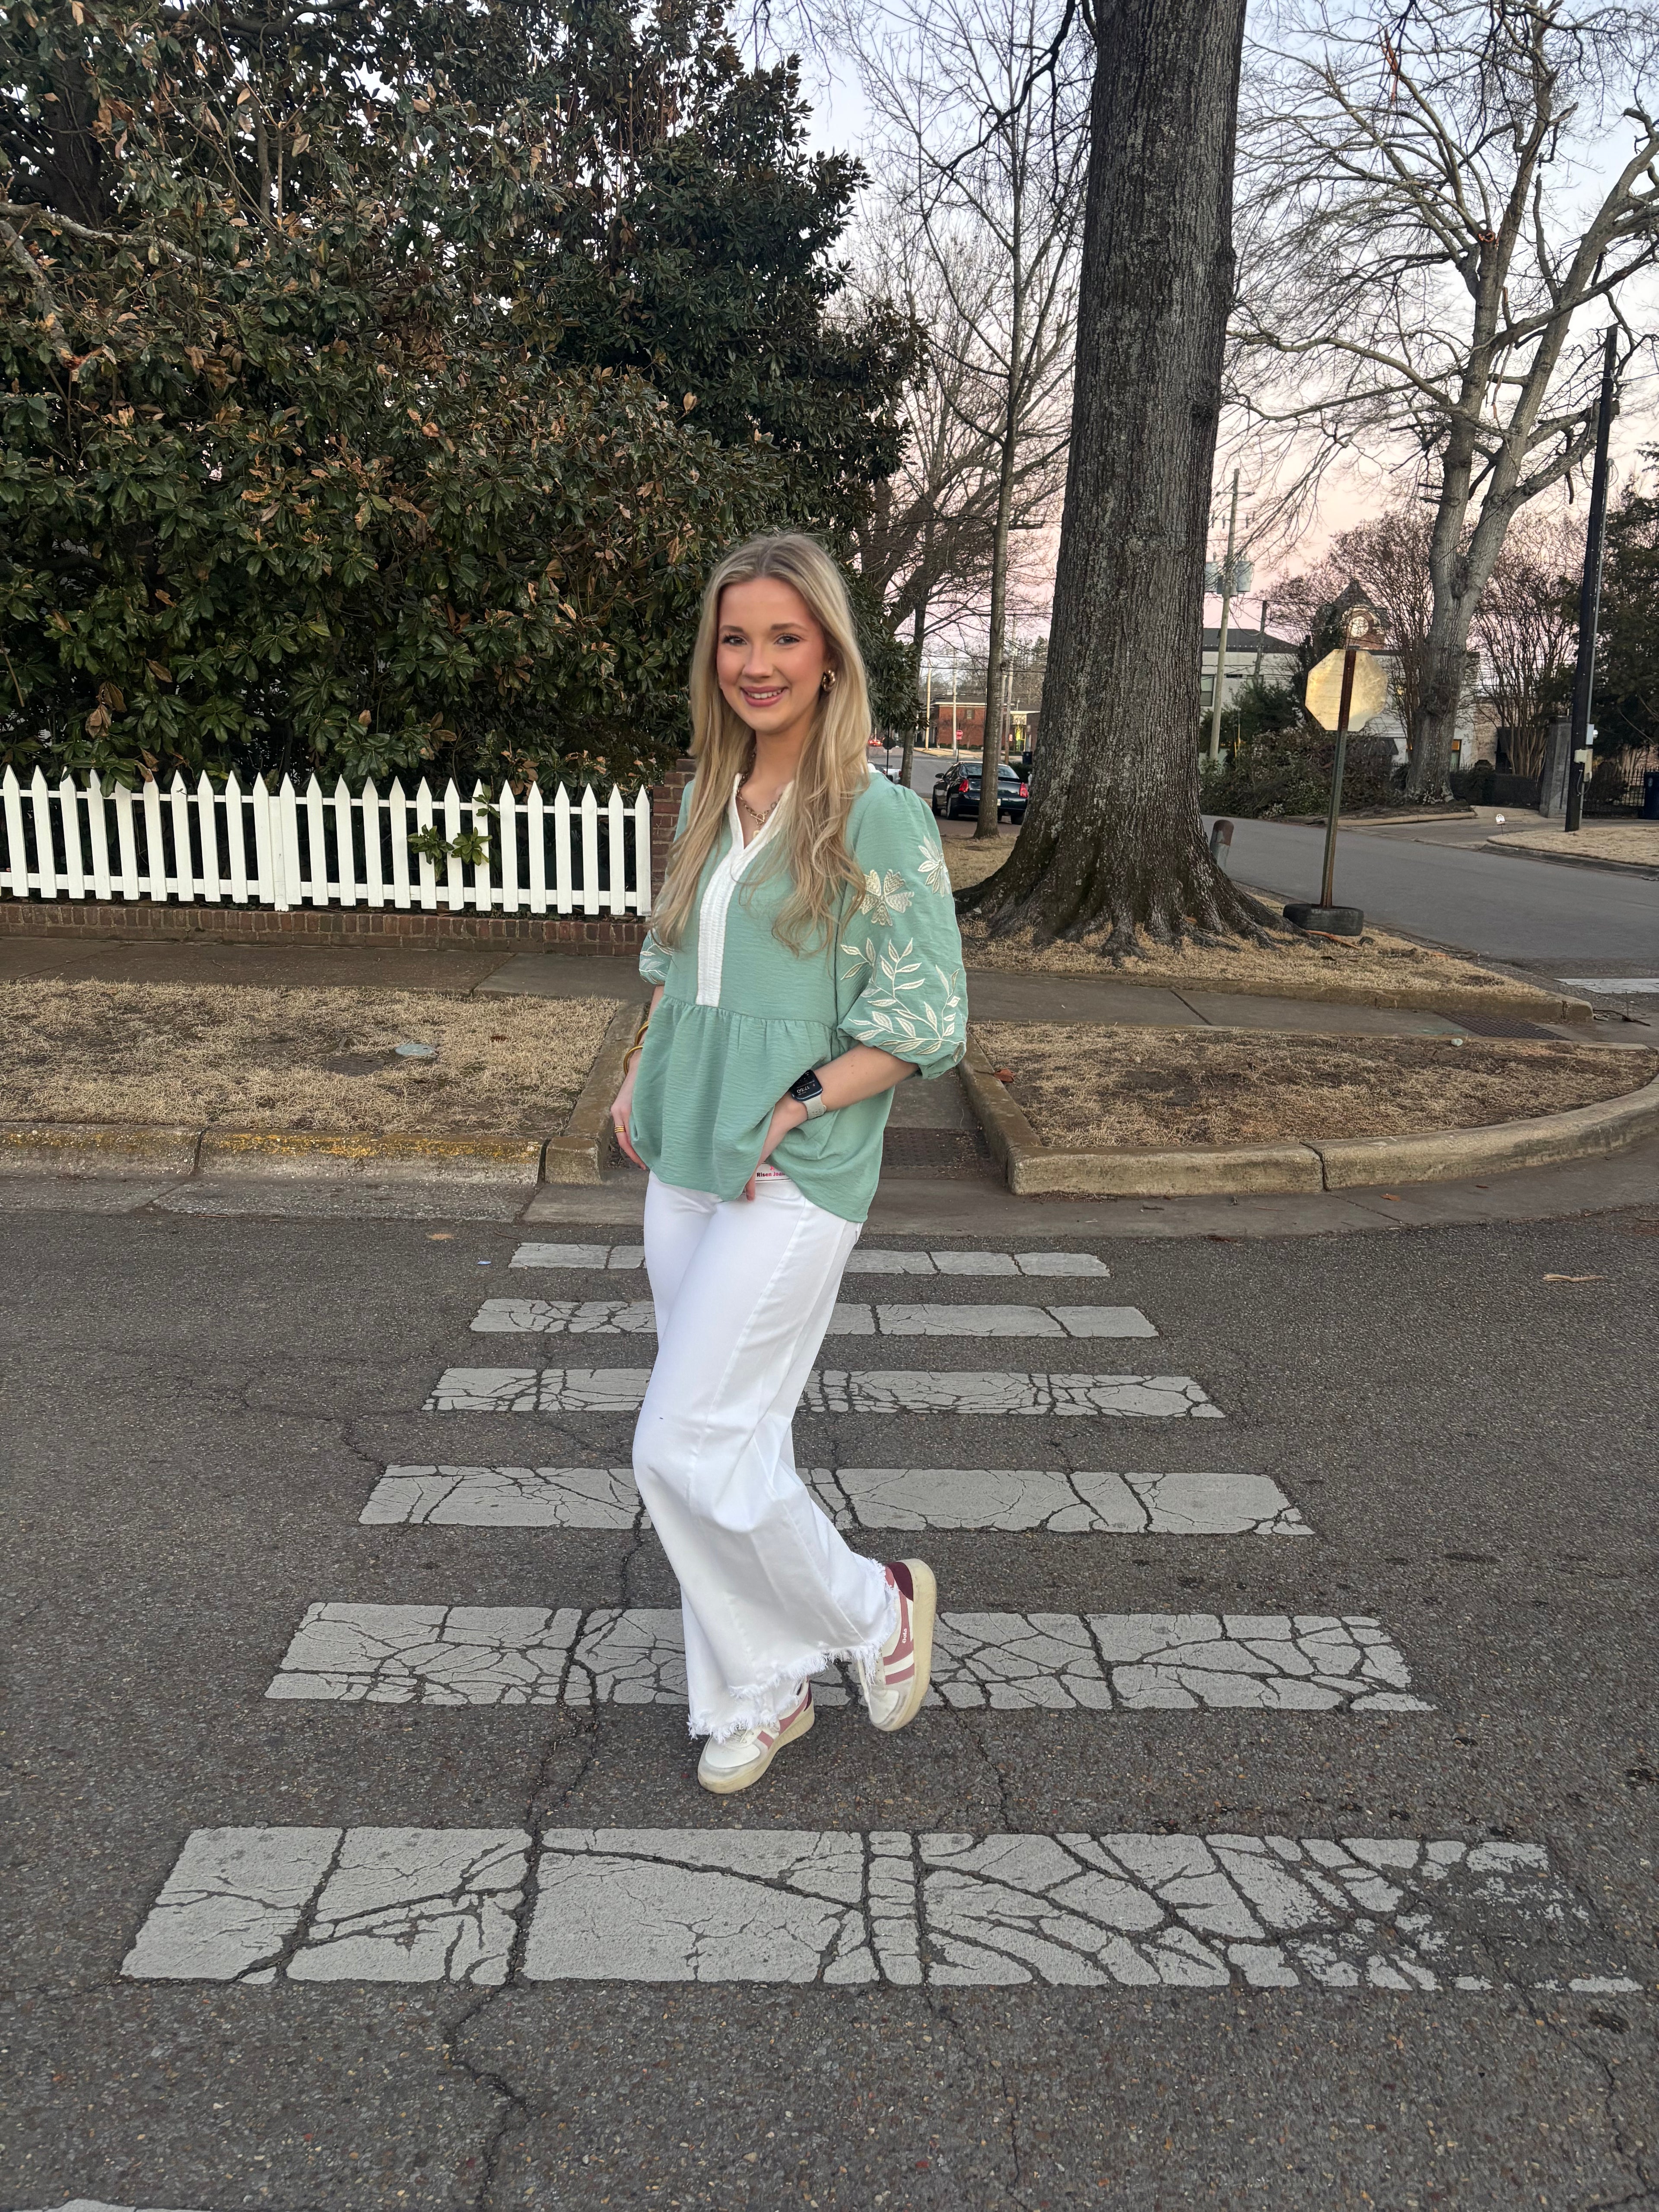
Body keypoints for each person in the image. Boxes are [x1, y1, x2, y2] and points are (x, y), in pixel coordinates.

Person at [608, 532, 967, 1795]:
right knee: (734, 1440)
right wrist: (637, 1073)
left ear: (829, 657)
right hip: (683, 1159)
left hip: (793, 1172)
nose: (756, 662)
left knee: (677, 1443)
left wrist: (802, 1097)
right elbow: (670, 965)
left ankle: (875, 1610)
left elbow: (926, 1022)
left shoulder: (880, 817)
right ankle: (759, 1692)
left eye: (784, 637)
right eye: (735, 637)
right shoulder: (708, 796)